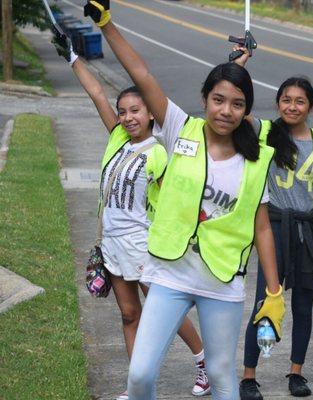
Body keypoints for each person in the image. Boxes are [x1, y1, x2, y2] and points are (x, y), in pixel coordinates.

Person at [83, 2, 285, 399]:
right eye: (218, 100)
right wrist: (107, 23)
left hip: (221, 282)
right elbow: (140, 73)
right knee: (139, 375)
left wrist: (274, 294)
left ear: (246, 110)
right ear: (205, 99)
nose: (226, 110)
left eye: (237, 104)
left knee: (223, 378)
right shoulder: (180, 129)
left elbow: (262, 227)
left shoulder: (255, 159)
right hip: (170, 275)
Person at [50, 31, 209, 399]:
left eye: (135, 111)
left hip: (144, 245)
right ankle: (138, 387)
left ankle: (204, 362)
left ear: (151, 113)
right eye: (123, 113)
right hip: (113, 246)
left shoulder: (159, 150)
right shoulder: (119, 139)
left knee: (163, 311)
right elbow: (96, 95)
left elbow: (179, 194)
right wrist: (74, 58)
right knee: (128, 315)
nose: (127, 118)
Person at [231, 67, 313, 399]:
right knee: (266, 299)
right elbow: (237, 109)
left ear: (311, 106)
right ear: (277, 104)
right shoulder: (264, 132)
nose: (293, 106)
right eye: (286, 100)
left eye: (300, 101)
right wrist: (241, 66)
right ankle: (250, 375)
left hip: (308, 229)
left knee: (304, 305)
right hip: (274, 227)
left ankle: (296, 372)